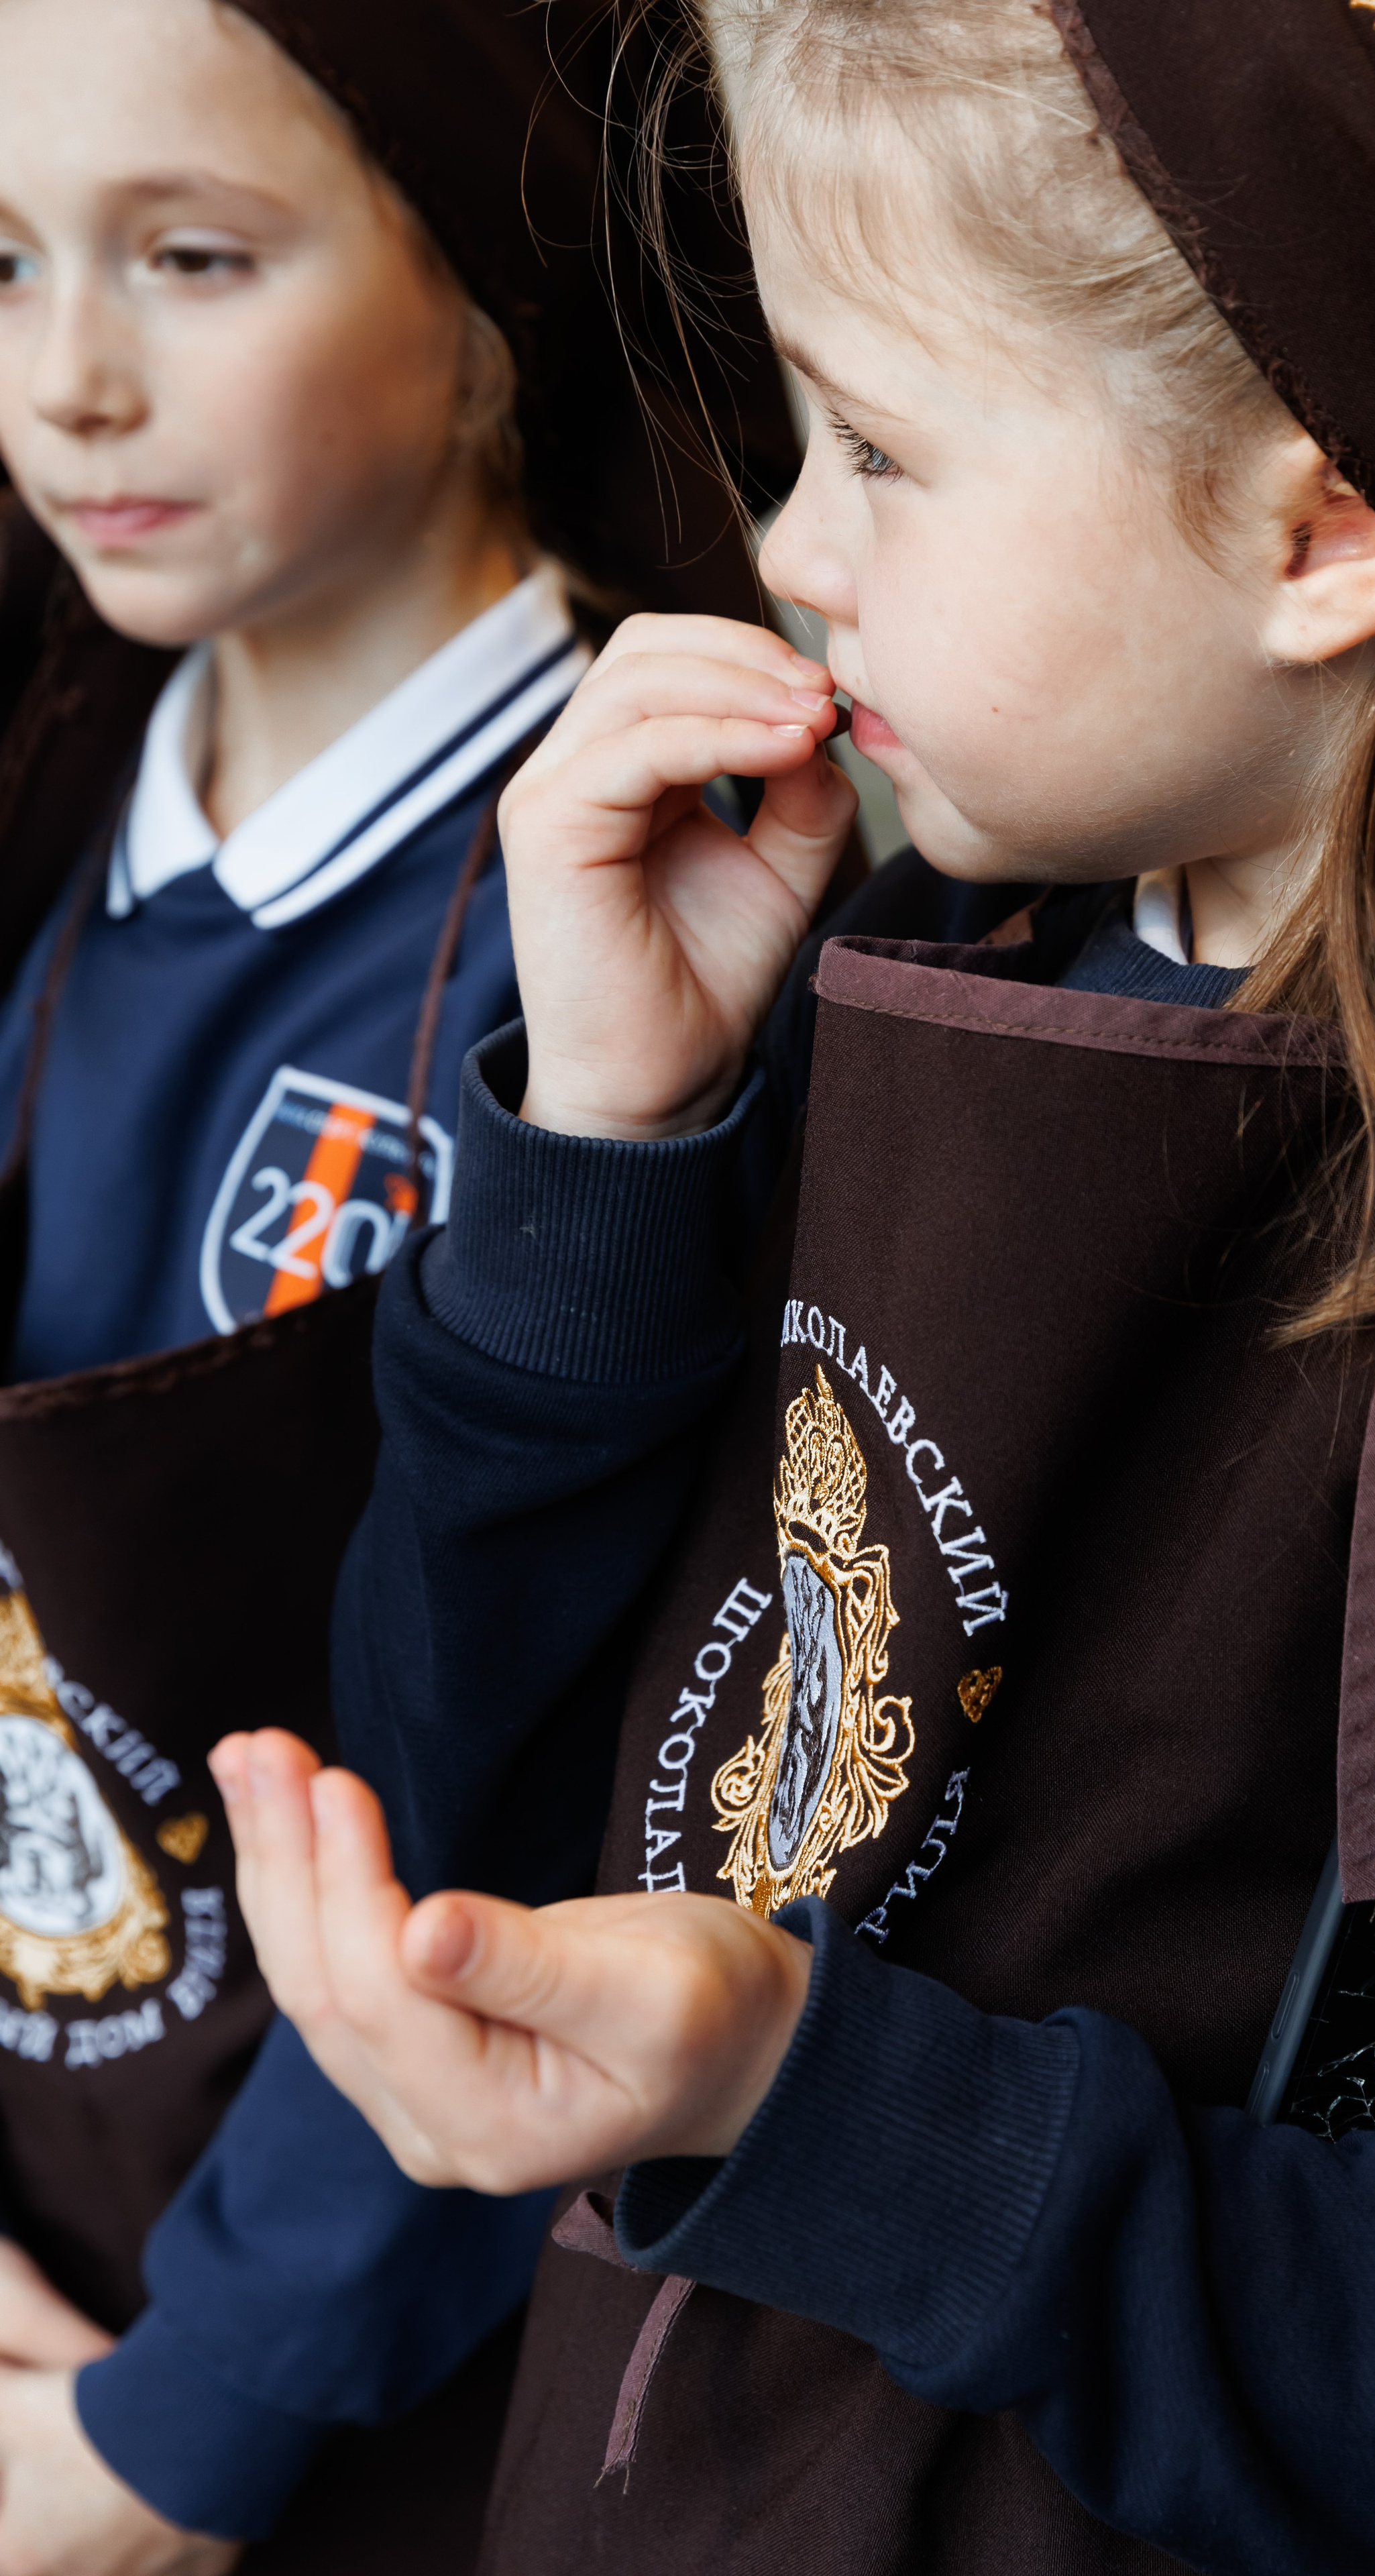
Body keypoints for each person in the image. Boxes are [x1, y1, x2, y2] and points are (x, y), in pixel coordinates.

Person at [215, 0, 1375, 2567]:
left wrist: (802, 2088)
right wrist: (606, 1145)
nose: (787, 550)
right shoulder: (899, 937)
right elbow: (479, 1797)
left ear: (1320, 528)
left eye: (880, 448)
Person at [0, 0, 793, 2569]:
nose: (73, 382)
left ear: (480, 299)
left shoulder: (642, 918)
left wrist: (183, 2430)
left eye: (195, 257)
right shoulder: (48, 801)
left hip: (375, 2368)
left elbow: (591, 1793)